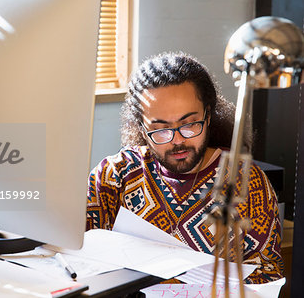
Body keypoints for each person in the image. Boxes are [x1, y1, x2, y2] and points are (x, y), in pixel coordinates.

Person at [86, 52, 283, 284]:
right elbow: (80, 256)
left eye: (189, 124)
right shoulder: (114, 175)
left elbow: (268, 274)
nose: (177, 140)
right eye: (160, 129)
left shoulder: (246, 183)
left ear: (208, 116)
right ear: (141, 128)